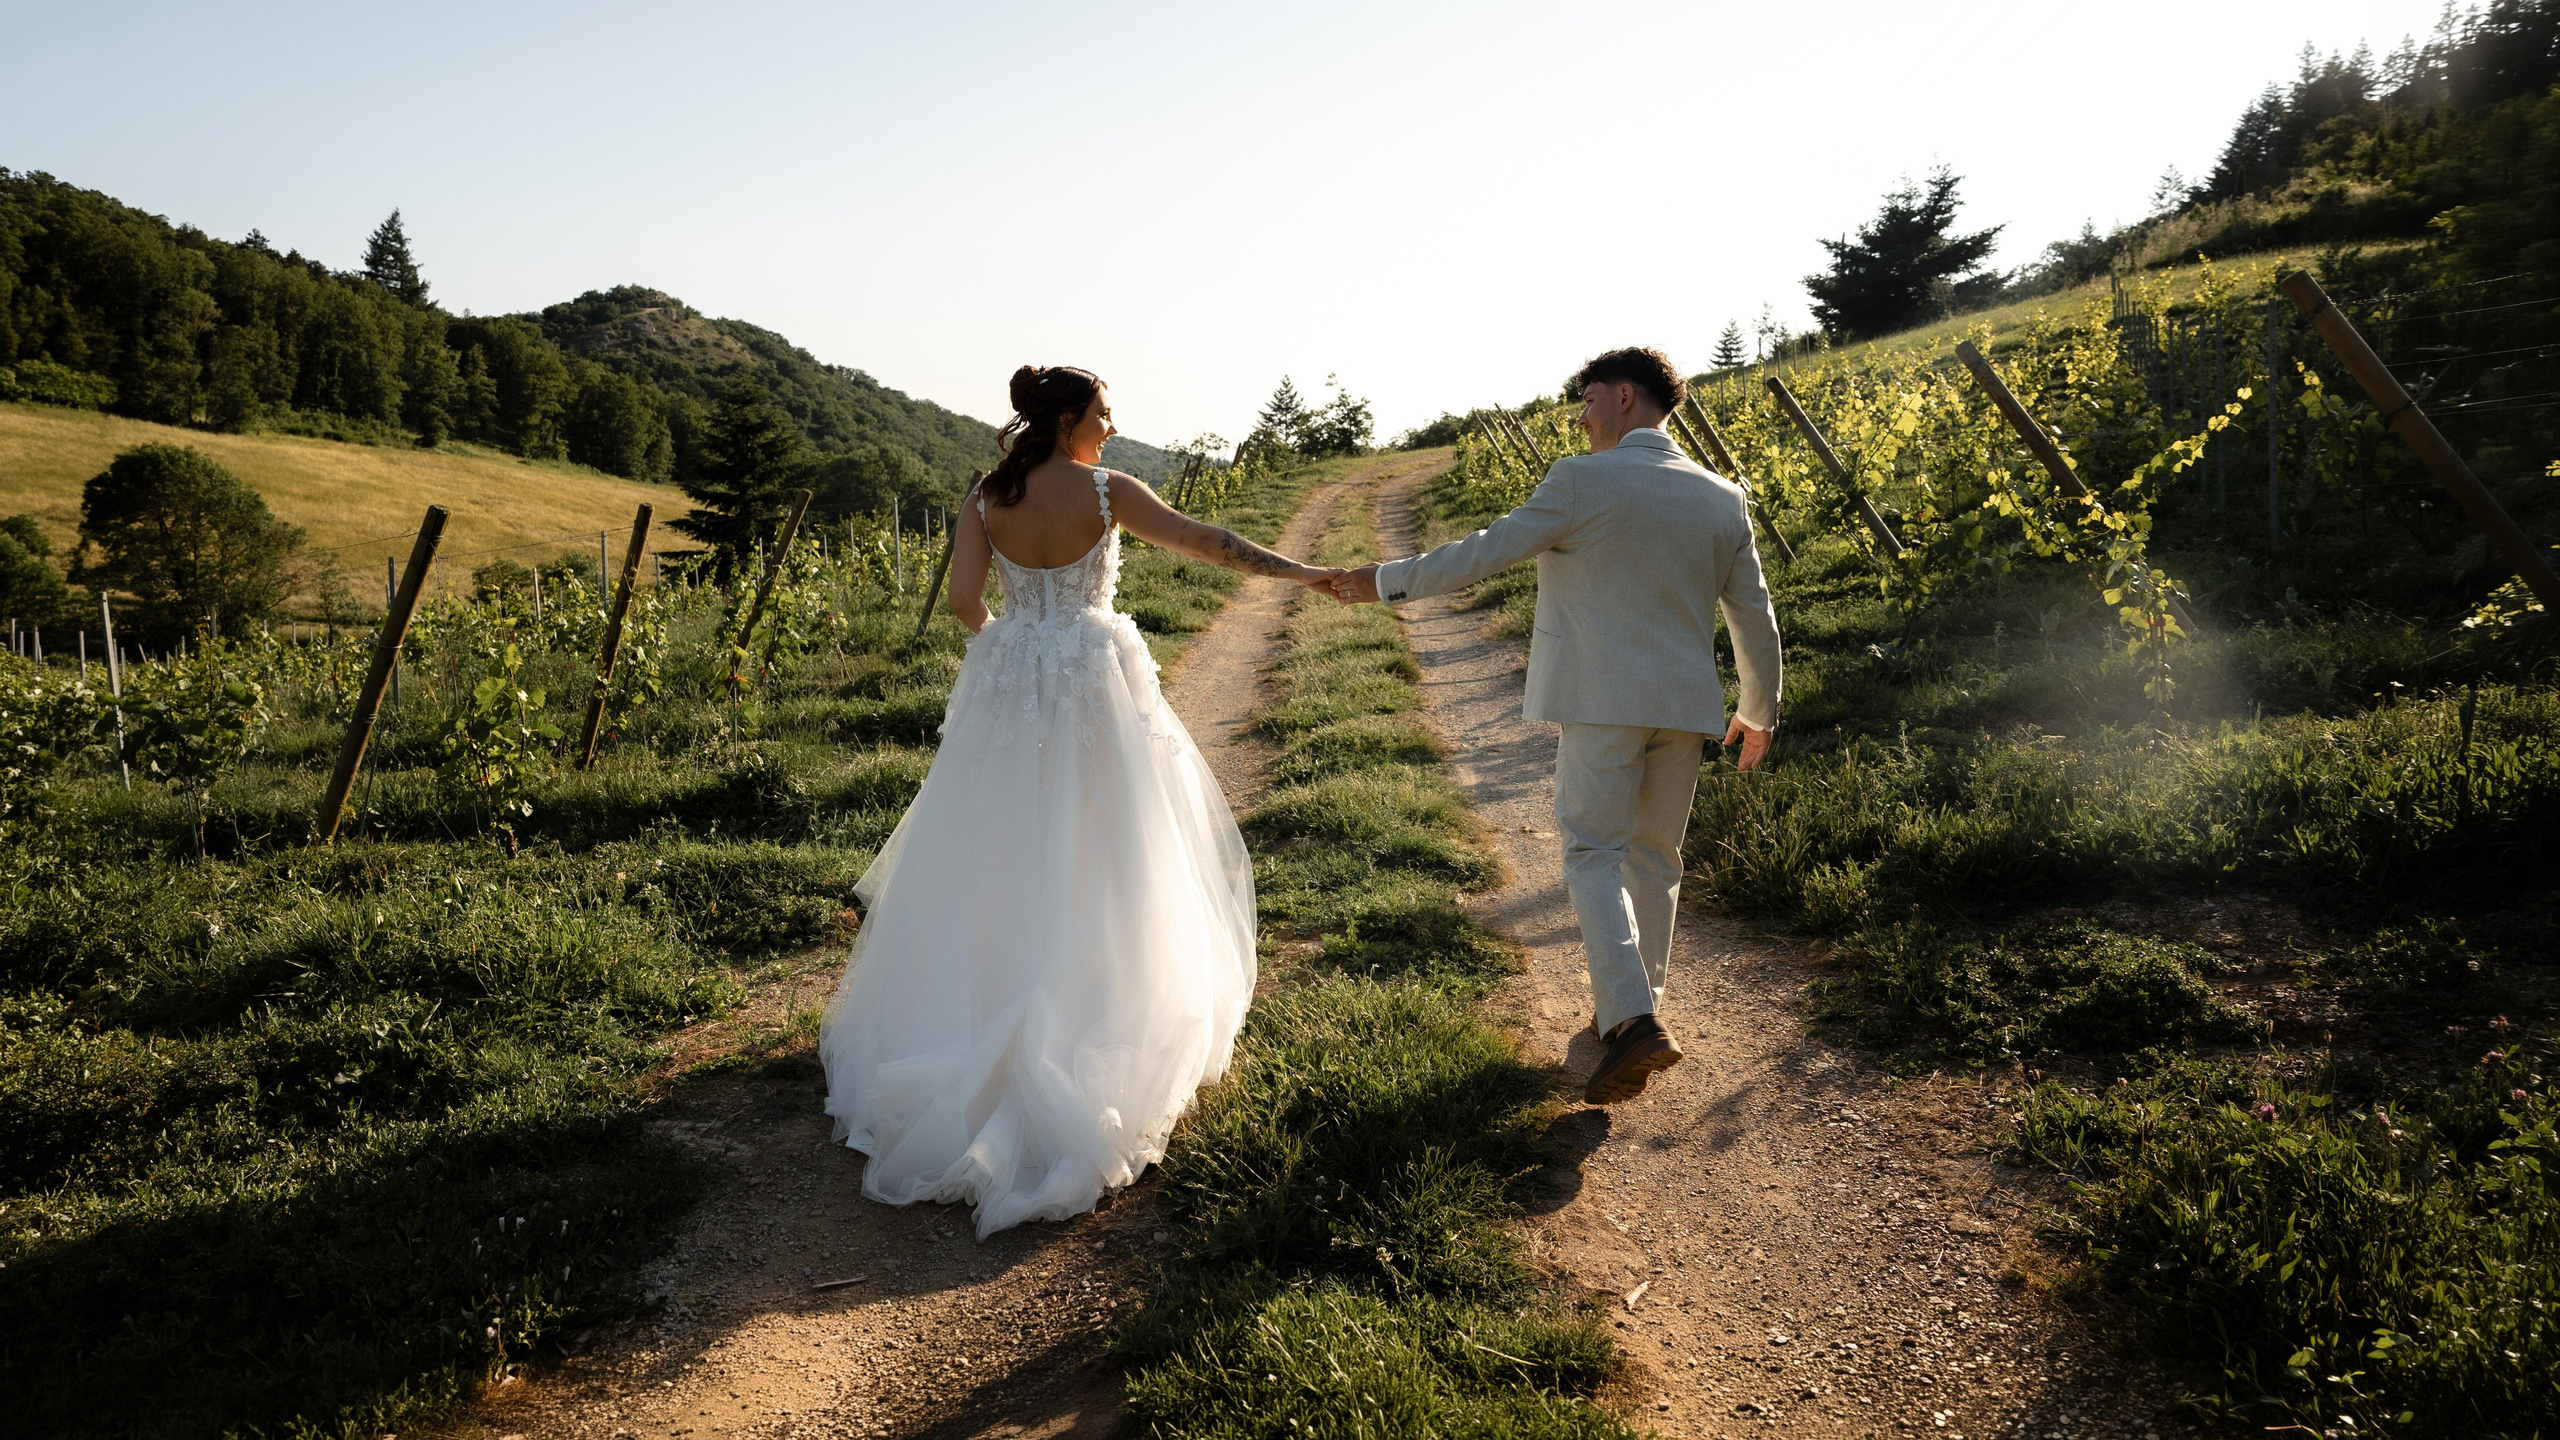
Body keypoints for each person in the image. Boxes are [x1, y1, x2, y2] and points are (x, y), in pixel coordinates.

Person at [820, 365, 1339, 1238]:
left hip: (1012, 681)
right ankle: (1094, 1016)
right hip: (1095, 683)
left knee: (995, 849)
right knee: (1112, 851)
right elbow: (1206, 542)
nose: (1112, 420)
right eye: (1103, 410)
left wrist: (1016, 650)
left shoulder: (989, 496)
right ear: (1070, 419)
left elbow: (962, 602)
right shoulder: (1108, 491)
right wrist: (1305, 573)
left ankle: (980, 1004)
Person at [1327, 347, 1781, 1105]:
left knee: (1593, 853)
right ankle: (1633, 1013)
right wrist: (1758, 710)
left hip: (1602, 701)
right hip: (1685, 709)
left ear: (1627, 398)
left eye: (1589, 398)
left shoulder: (1579, 480)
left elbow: (1483, 554)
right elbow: (1754, 616)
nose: (1581, 414)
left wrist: (1381, 582)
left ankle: (1631, 1019)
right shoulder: (1720, 495)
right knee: (1655, 860)